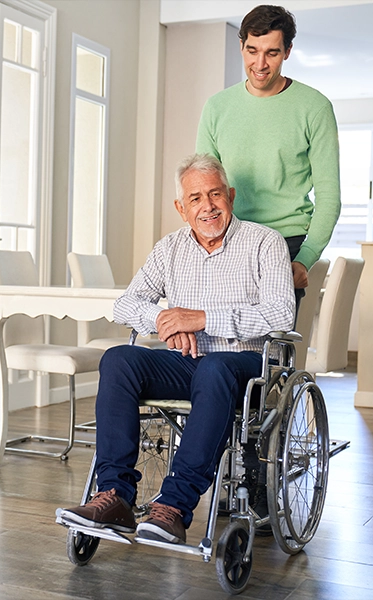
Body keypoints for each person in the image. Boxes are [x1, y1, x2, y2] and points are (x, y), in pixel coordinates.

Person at [58, 153, 294, 543]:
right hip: (186, 361)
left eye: (215, 194)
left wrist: (201, 318)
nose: (207, 206)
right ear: (181, 208)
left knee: (215, 367)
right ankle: (114, 494)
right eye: (196, 198)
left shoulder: (264, 243)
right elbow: (126, 304)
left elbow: (281, 314)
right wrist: (166, 322)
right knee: (118, 359)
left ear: (231, 196)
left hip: (244, 363)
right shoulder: (169, 248)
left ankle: (173, 506)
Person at [196, 4, 340, 311]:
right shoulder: (217, 108)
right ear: (241, 46)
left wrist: (305, 259)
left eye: (272, 53)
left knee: (270, 355)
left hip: (287, 245)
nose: (260, 63)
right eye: (252, 50)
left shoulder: (314, 107)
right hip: (228, 242)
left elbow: (329, 195)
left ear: (287, 51)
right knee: (216, 346)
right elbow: (202, 186)